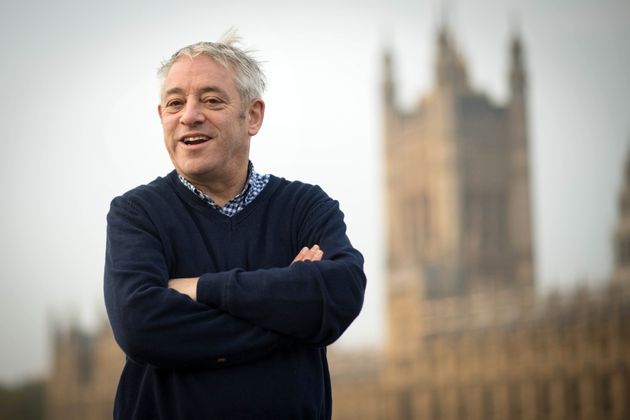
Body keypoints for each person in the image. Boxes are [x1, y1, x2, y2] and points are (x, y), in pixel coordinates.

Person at [103, 31, 366, 420]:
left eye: (211, 100)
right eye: (175, 102)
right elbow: (140, 327)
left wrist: (201, 288)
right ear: (162, 117)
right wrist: (293, 315)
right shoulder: (137, 214)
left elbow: (341, 293)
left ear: (253, 116)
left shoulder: (306, 206)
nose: (189, 115)